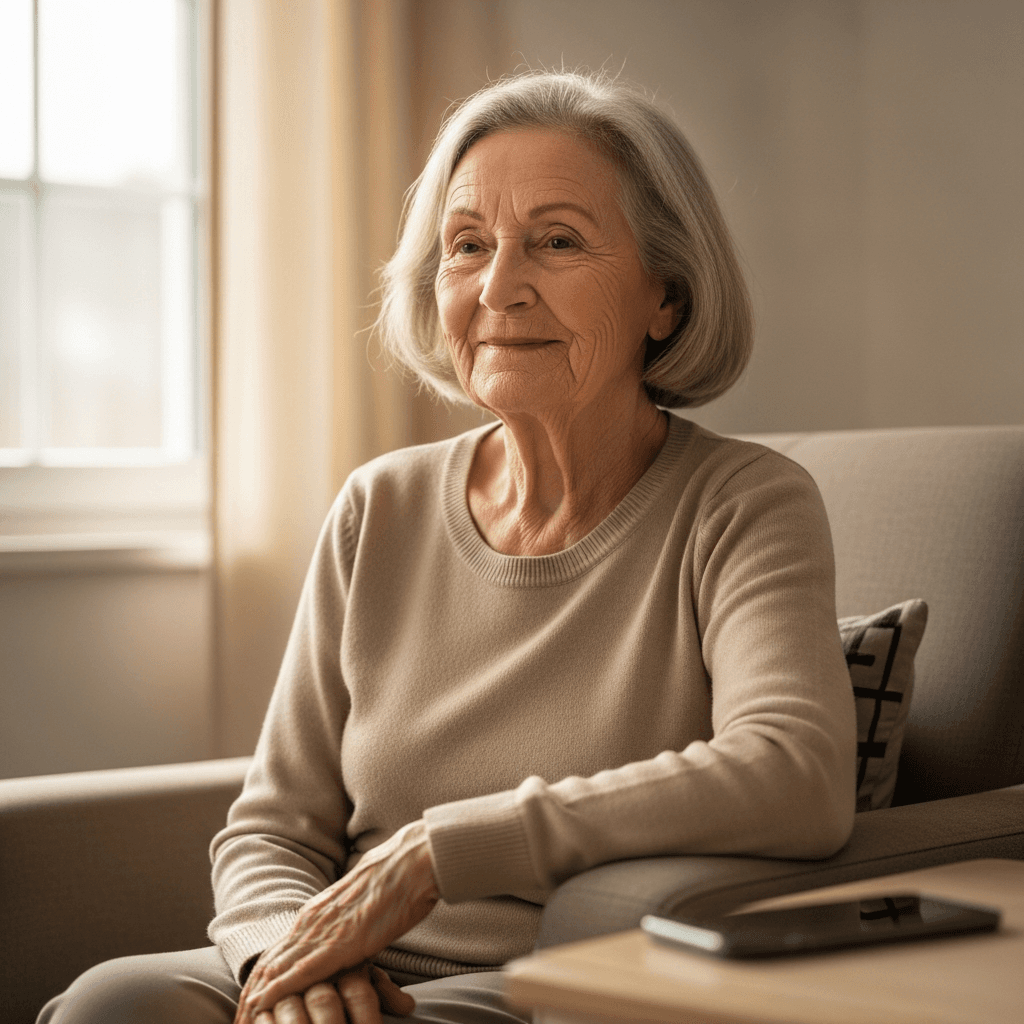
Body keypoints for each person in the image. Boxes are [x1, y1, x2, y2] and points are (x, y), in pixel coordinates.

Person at [39, 70, 856, 1024]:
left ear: (664, 299)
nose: (499, 287)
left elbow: (793, 772)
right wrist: (293, 956)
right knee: (113, 1003)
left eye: (557, 242)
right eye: (467, 246)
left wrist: (441, 851)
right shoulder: (378, 505)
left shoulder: (743, 501)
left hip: (544, 981)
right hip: (339, 964)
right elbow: (272, 826)